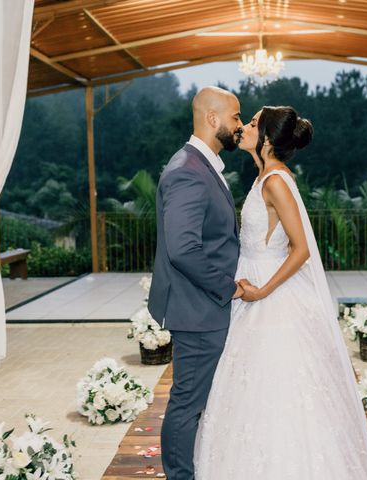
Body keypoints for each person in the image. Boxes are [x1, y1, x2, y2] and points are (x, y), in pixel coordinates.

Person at [193, 106, 367, 479]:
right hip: (251, 288)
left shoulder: (275, 181)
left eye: (253, 124)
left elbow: (301, 249)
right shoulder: (262, 178)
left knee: (281, 385)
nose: (244, 128)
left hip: (271, 295)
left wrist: (264, 290)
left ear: (268, 139)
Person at [147, 86, 245, 480]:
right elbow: (183, 249)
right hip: (200, 309)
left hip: (204, 307)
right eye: (236, 117)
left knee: (200, 400)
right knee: (187, 403)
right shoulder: (187, 172)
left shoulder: (200, 166)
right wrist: (229, 287)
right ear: (212, 119)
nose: (240, 125)